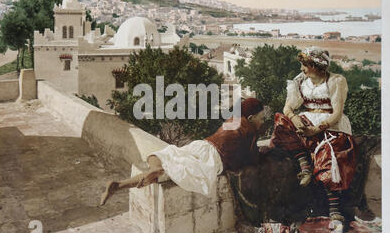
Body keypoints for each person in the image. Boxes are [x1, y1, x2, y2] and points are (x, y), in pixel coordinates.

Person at [100, 98, 265, 205]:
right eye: (261, 118)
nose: (263, 122)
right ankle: (154, 172)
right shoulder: (249, 129)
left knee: (163, 155)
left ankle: (120, 184)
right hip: (213, 157)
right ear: (251, 118)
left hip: (202, 145)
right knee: (177, 171)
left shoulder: (233, 120)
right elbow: (252, 159)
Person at [270, 47, 357, 222]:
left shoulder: (335, 81)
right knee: (281, 122)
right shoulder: (299, 82)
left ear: (316, 66)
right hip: (306, 119)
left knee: (331, 153)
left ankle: (334, 208)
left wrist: (316, 129)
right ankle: (305, 167)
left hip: (330, 125)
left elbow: (337, 113)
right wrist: (295, 120)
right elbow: (288, 108)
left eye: (305, 65)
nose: (302, 69)